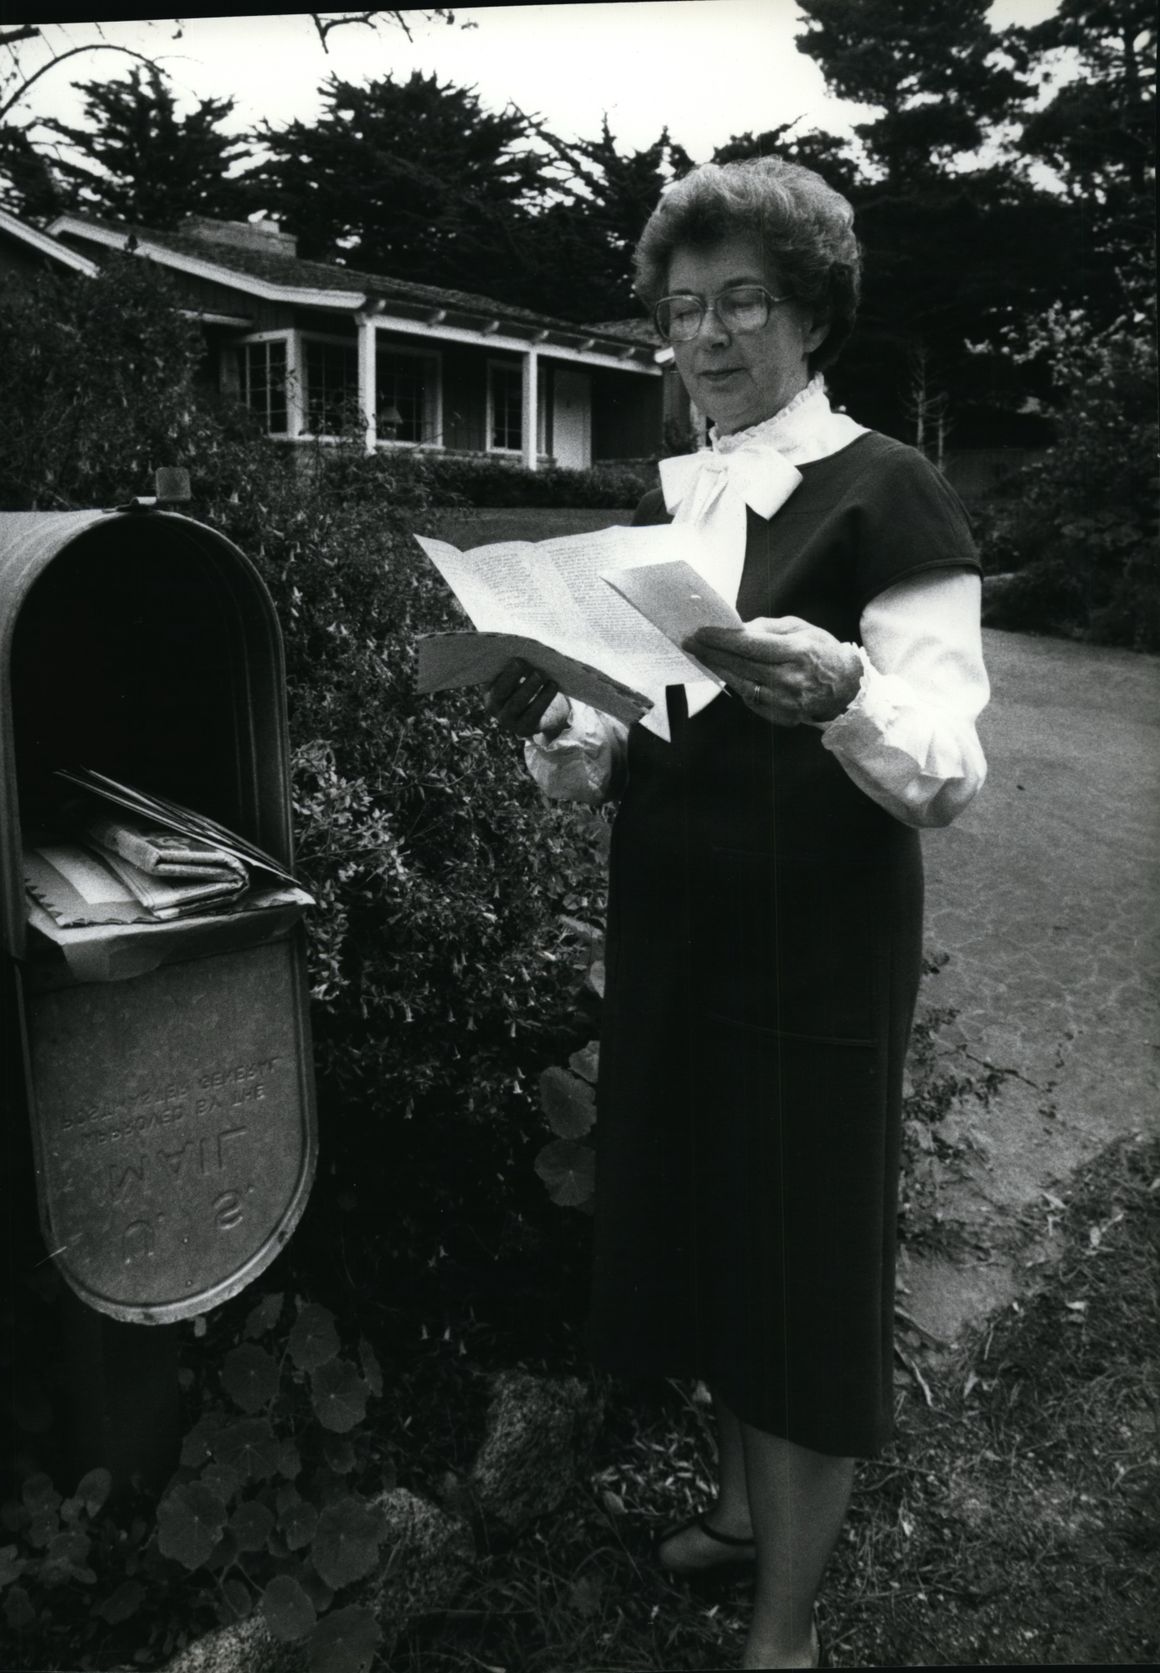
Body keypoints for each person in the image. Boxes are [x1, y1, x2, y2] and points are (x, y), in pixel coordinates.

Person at [485, 156, 988, 1670]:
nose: (707, 338)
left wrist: (840, 690)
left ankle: (785, 1629)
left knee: (801, 1259)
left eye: (742, 305)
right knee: (709, 1219)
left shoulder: (887, 488)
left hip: (816, 945)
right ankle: (734, 1506)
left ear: (810, 312)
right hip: (680, 925)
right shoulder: (663, 498)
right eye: (684, 309)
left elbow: (950, 765)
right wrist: (577, 735)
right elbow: (653, 714)